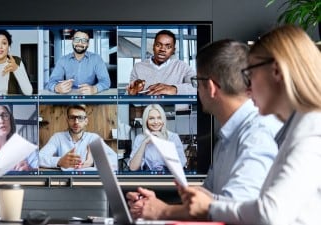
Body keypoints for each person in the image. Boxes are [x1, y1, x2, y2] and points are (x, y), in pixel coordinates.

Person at [180, 25, 321, 224]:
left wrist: (210, 207)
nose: (247, 85)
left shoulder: (311, 133)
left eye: (251, 73)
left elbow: (270, 213)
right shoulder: (295, 129)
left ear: (277, 72)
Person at [126, 39, 282, 220]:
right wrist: (156, 206)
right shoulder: (227, 137)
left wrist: (162, 211)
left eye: (197, 82)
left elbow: (237, 210)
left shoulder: (257, 134)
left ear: (211, 87)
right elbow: (210, 201)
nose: (197, 90)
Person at [39, 105, 118, 170]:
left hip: (88, 182)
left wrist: (92, 162)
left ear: (86, 121)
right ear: (67, 120)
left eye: (80, 118)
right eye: (72, 118)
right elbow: (39, 158)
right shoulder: (57, 137)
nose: (76, 122)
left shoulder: (94, 138)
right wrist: (59, 161)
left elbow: (115, 161)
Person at [126, 30, 196, 95]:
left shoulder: (182, 66)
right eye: (158, 45)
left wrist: (174, 89)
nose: (162, 49)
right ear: (153, 47)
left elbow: (198, 87)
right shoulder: (138, 67)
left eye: (168, 47)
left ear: (173, 50)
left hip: (175, 109)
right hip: (146, 108)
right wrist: (133, 91)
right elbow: (131, 92)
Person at [44, 30, 111, 95]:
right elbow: (51, 82)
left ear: (88, 44)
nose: (80, 43)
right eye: (77, 39)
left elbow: (106, 82)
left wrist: (94, 89)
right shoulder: (62, 60)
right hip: (69, 97)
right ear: (72, 41)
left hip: (89, 96)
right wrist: (57, 88)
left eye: (84, 40)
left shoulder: (97, 59)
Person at [128, 104, 187, 171]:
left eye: (159, 118)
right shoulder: (140, 138)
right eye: (151, 118)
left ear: (163, 120)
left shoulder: (173, 137)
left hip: (169, 179)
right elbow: (133, 168)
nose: (156, 122)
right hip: (148, 179)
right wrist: (144, 143)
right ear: (146, 121)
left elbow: (180, 166)